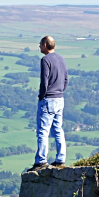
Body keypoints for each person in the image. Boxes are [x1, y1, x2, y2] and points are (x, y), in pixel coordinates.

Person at [29, 36, 68, 171]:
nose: (39, 46)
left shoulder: (45, 60)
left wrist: (42, 96)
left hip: (48, 99)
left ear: (45, 45)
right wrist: (60, 91)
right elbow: (66, 79)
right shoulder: (61, 59)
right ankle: (60, 159)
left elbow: (44, 81)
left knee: (43, 131)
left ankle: (41, 160)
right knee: (58, 129)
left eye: (40, 44)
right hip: (60, 98)